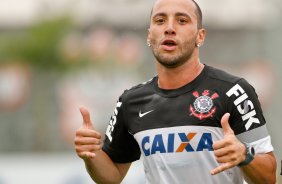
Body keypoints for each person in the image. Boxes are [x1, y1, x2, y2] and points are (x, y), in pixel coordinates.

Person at [74, 0, 277, 183]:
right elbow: (112, 176)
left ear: (200, 36)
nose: (169, 28)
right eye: (160, 21)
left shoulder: (234, 90)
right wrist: (90, 155)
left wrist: (244, 155)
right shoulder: (131, 101)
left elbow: (268, 176)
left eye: (182, 20)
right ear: (149, 35)